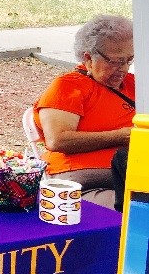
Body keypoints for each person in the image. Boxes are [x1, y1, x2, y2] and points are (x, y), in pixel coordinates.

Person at [33, 15, 134, 210]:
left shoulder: (133, 84)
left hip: (131, 174)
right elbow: (57, 140)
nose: (123, 68)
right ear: (88, 58)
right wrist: (122, 136)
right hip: (82, 182)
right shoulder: (68, 87)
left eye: (129, 60)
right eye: (115, 61)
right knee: (136, 212)